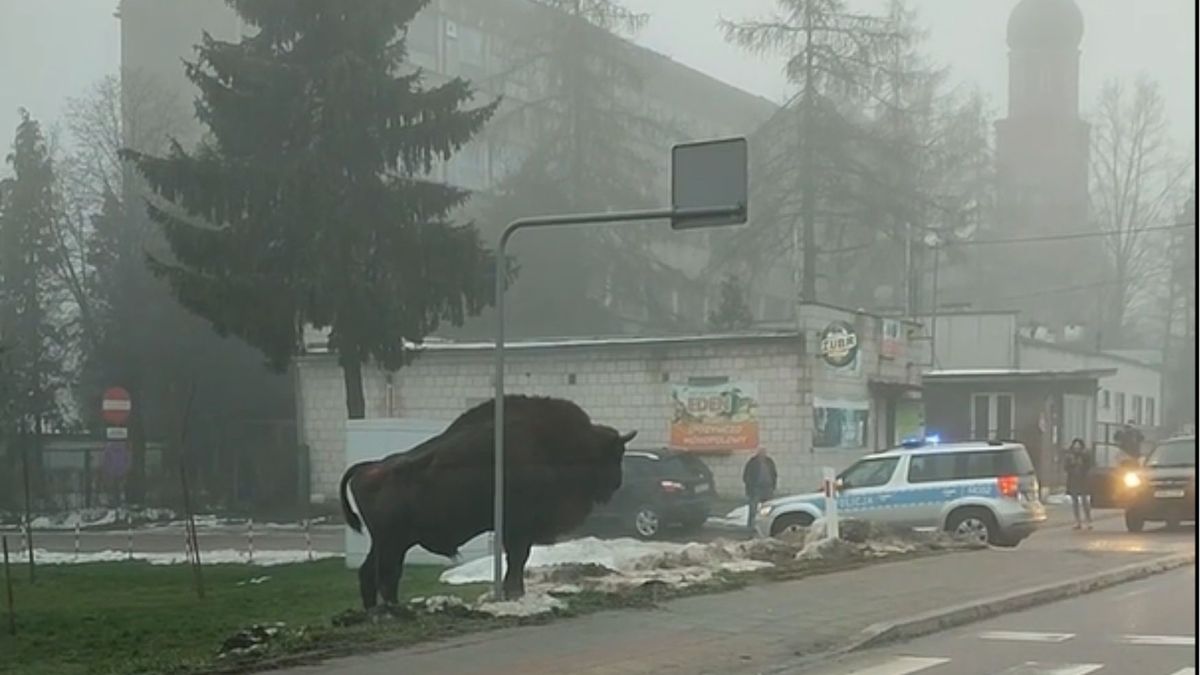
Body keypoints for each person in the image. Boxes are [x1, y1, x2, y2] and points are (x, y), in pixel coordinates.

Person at [742, 447, 778, 533]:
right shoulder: (752, 462)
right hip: (756, 489)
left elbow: (774, 474)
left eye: (764, 452)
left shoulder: (769, 461)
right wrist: (750, 485)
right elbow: (746, 476)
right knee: (753, 510)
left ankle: (766, 526)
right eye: (761, 452)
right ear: (758, 453)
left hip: (768, 488)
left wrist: (773, 485)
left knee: (768, 509)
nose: (763, 454)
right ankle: (750, 527)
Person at [1062, 438, 1093, 530]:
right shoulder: (1069, 456)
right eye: (1075, 447)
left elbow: (1089, 466)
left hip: (1083, 480)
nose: (1076, 449)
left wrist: (1082, 467)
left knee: (1084, 501)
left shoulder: (1085, 455)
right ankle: (1077, 521)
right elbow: (1065, 467)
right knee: (1075, 501)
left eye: (1078, 447)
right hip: (1073, 480)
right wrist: (1072, 465)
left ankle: (1088, 520)